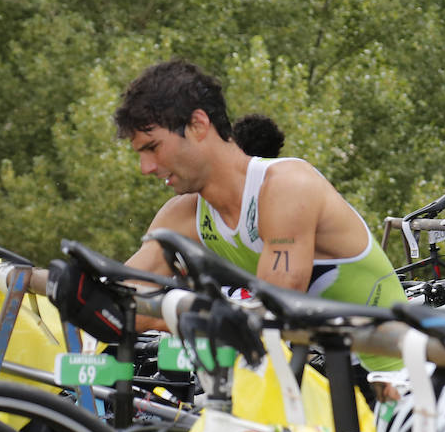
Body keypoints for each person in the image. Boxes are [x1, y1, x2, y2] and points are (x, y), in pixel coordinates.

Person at [113, 58, 405, 375]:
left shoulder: (287, 186)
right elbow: (121, 299)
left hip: (399, 378)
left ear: (198, 125)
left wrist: (161, 312)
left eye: (153, 148)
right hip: (318, 384)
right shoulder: (181, 216)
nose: (146, 168)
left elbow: (269, 317)